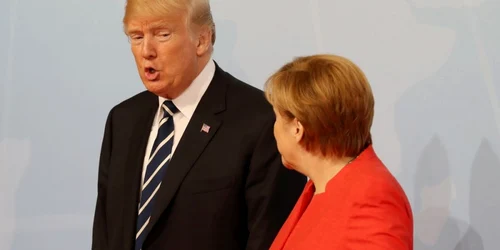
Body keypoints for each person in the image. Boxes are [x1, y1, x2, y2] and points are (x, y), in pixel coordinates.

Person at [91, 1, 306, 249]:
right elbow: (106, 232)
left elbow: (270, 237)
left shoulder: (261, 120)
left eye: (162, 35)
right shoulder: (123, 120)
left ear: (202, 40)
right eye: (136, 37)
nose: (146, 51)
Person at [265, 54, 414, 249]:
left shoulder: (372, 198)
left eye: (276, 117)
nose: (273, 127)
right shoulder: (318, 187)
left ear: (297, 128)